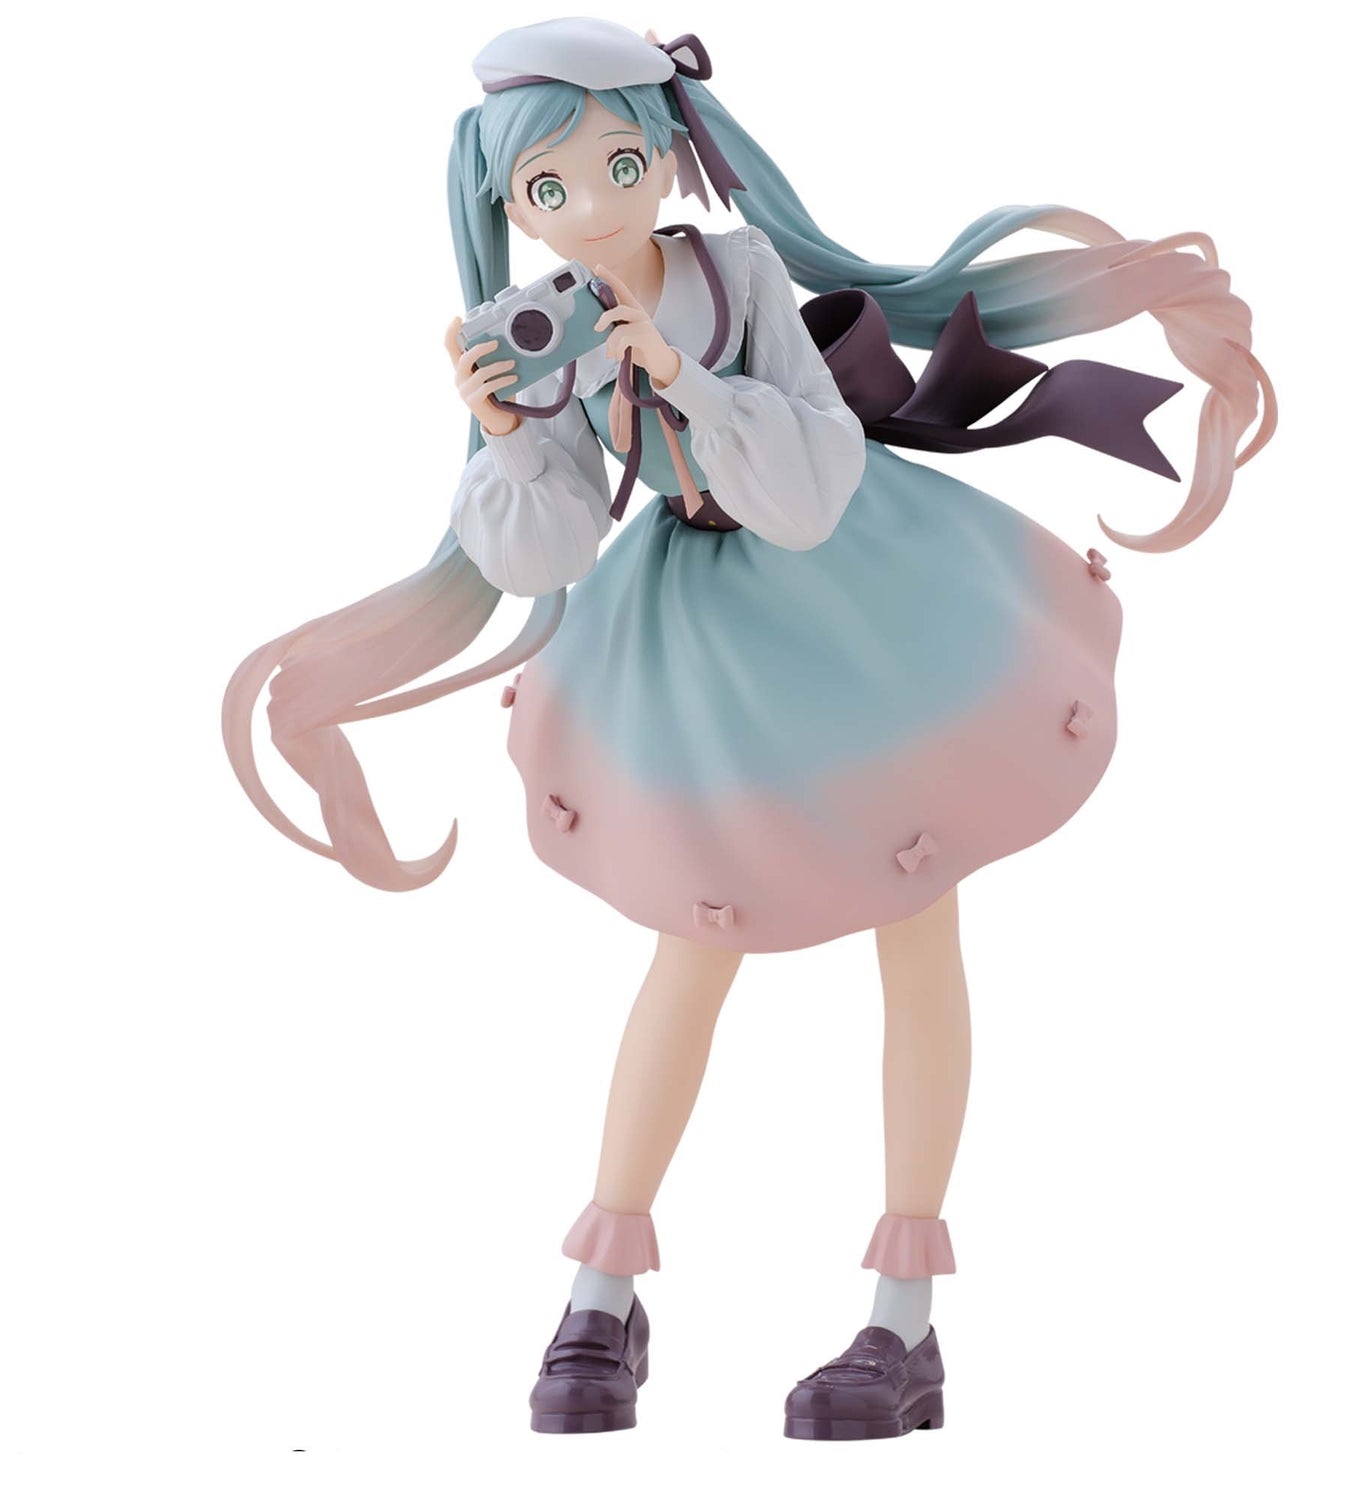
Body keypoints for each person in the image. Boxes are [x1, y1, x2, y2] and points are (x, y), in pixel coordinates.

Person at [222, 16, 1276, 1441]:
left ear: (669, 149)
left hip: (862, 597)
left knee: (918, 922)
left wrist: (681, 374)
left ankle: (903, 1318)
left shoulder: (735, 274)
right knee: (692, 945)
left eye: (619, 162)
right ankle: (602, 1290)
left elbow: (812, 484)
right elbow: (546, 558)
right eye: (548, 188)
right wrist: (507, 435)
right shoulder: (541, 333)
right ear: (508, 206)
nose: (593, 204)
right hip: (698, 639)